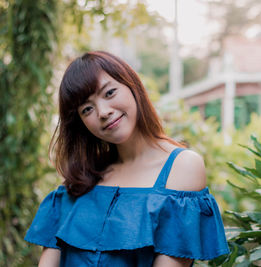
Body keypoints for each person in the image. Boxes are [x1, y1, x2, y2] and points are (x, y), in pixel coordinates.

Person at [24, 51, 230, 267]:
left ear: (132, 86)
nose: (103, 112)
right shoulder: (82, 178)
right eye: (87, 109)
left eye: (110, 93)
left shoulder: (183, 166)